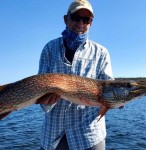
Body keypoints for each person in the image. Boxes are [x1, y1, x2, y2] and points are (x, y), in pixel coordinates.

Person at [38, 0, 113, 150]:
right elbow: (40, 95)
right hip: (53, 136)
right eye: (76, 17)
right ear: (66, 19)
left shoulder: (101, 53)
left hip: (88, 136)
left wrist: (117, 100)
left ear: (90, 23)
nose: (80, 23)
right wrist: (47, 101)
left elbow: (109, 92)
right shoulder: (49, 49)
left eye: (86, 19)